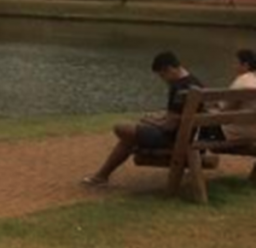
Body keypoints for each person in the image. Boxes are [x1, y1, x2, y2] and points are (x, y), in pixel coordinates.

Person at [82, 52, 203, 187]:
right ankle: (101, 176)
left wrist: (151, 122)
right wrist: (158, 119)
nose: (163, 79)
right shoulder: (195, 82)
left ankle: (101, 176)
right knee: (128, 138)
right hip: (189, 137)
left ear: (169, 69)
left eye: (162, 75)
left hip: (174, 140)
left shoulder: (179, 88)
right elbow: (178, 116)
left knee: (121, 128)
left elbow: (169, 126)